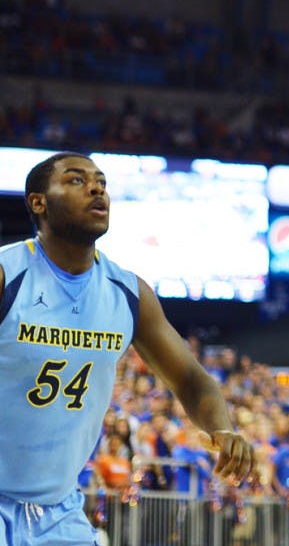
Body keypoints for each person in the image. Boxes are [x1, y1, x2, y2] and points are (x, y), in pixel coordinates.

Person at [0, 150, 255, 546]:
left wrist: (221, 427)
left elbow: (190, 378)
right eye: (76, 180)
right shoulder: (8, 275)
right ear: (39, 202)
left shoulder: (128, 293)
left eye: (101, 181)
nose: (97, 188)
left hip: (57, 512)